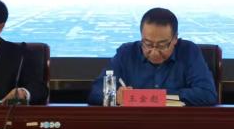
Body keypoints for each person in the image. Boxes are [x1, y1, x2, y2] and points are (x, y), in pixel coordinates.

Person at [88, 8, 218, 106]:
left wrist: (153, 96)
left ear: (175, 39)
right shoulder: (126, 53)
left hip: (176, 125)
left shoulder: (189, 51)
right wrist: (116, 96)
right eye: (148, 44)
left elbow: (208, 94)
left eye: (162, 45)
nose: (154, 52)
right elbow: (95, 93)